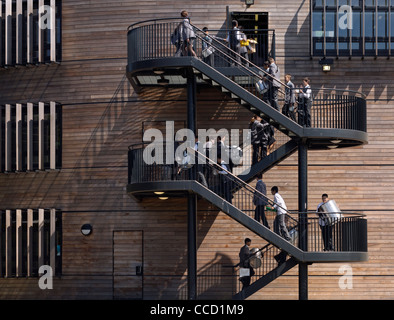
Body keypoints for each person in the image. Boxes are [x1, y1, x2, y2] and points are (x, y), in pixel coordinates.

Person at [270, 186, 291, 265]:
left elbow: (278, 203)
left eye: (271, 191)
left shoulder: (276, 195)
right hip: (280, 212)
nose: (271, 192)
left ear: (274, 190)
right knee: (276, 223)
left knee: (281, 224)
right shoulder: (277, 196)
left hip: (281, 212)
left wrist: (273, 206)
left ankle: (287, 236)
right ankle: (277, 234)